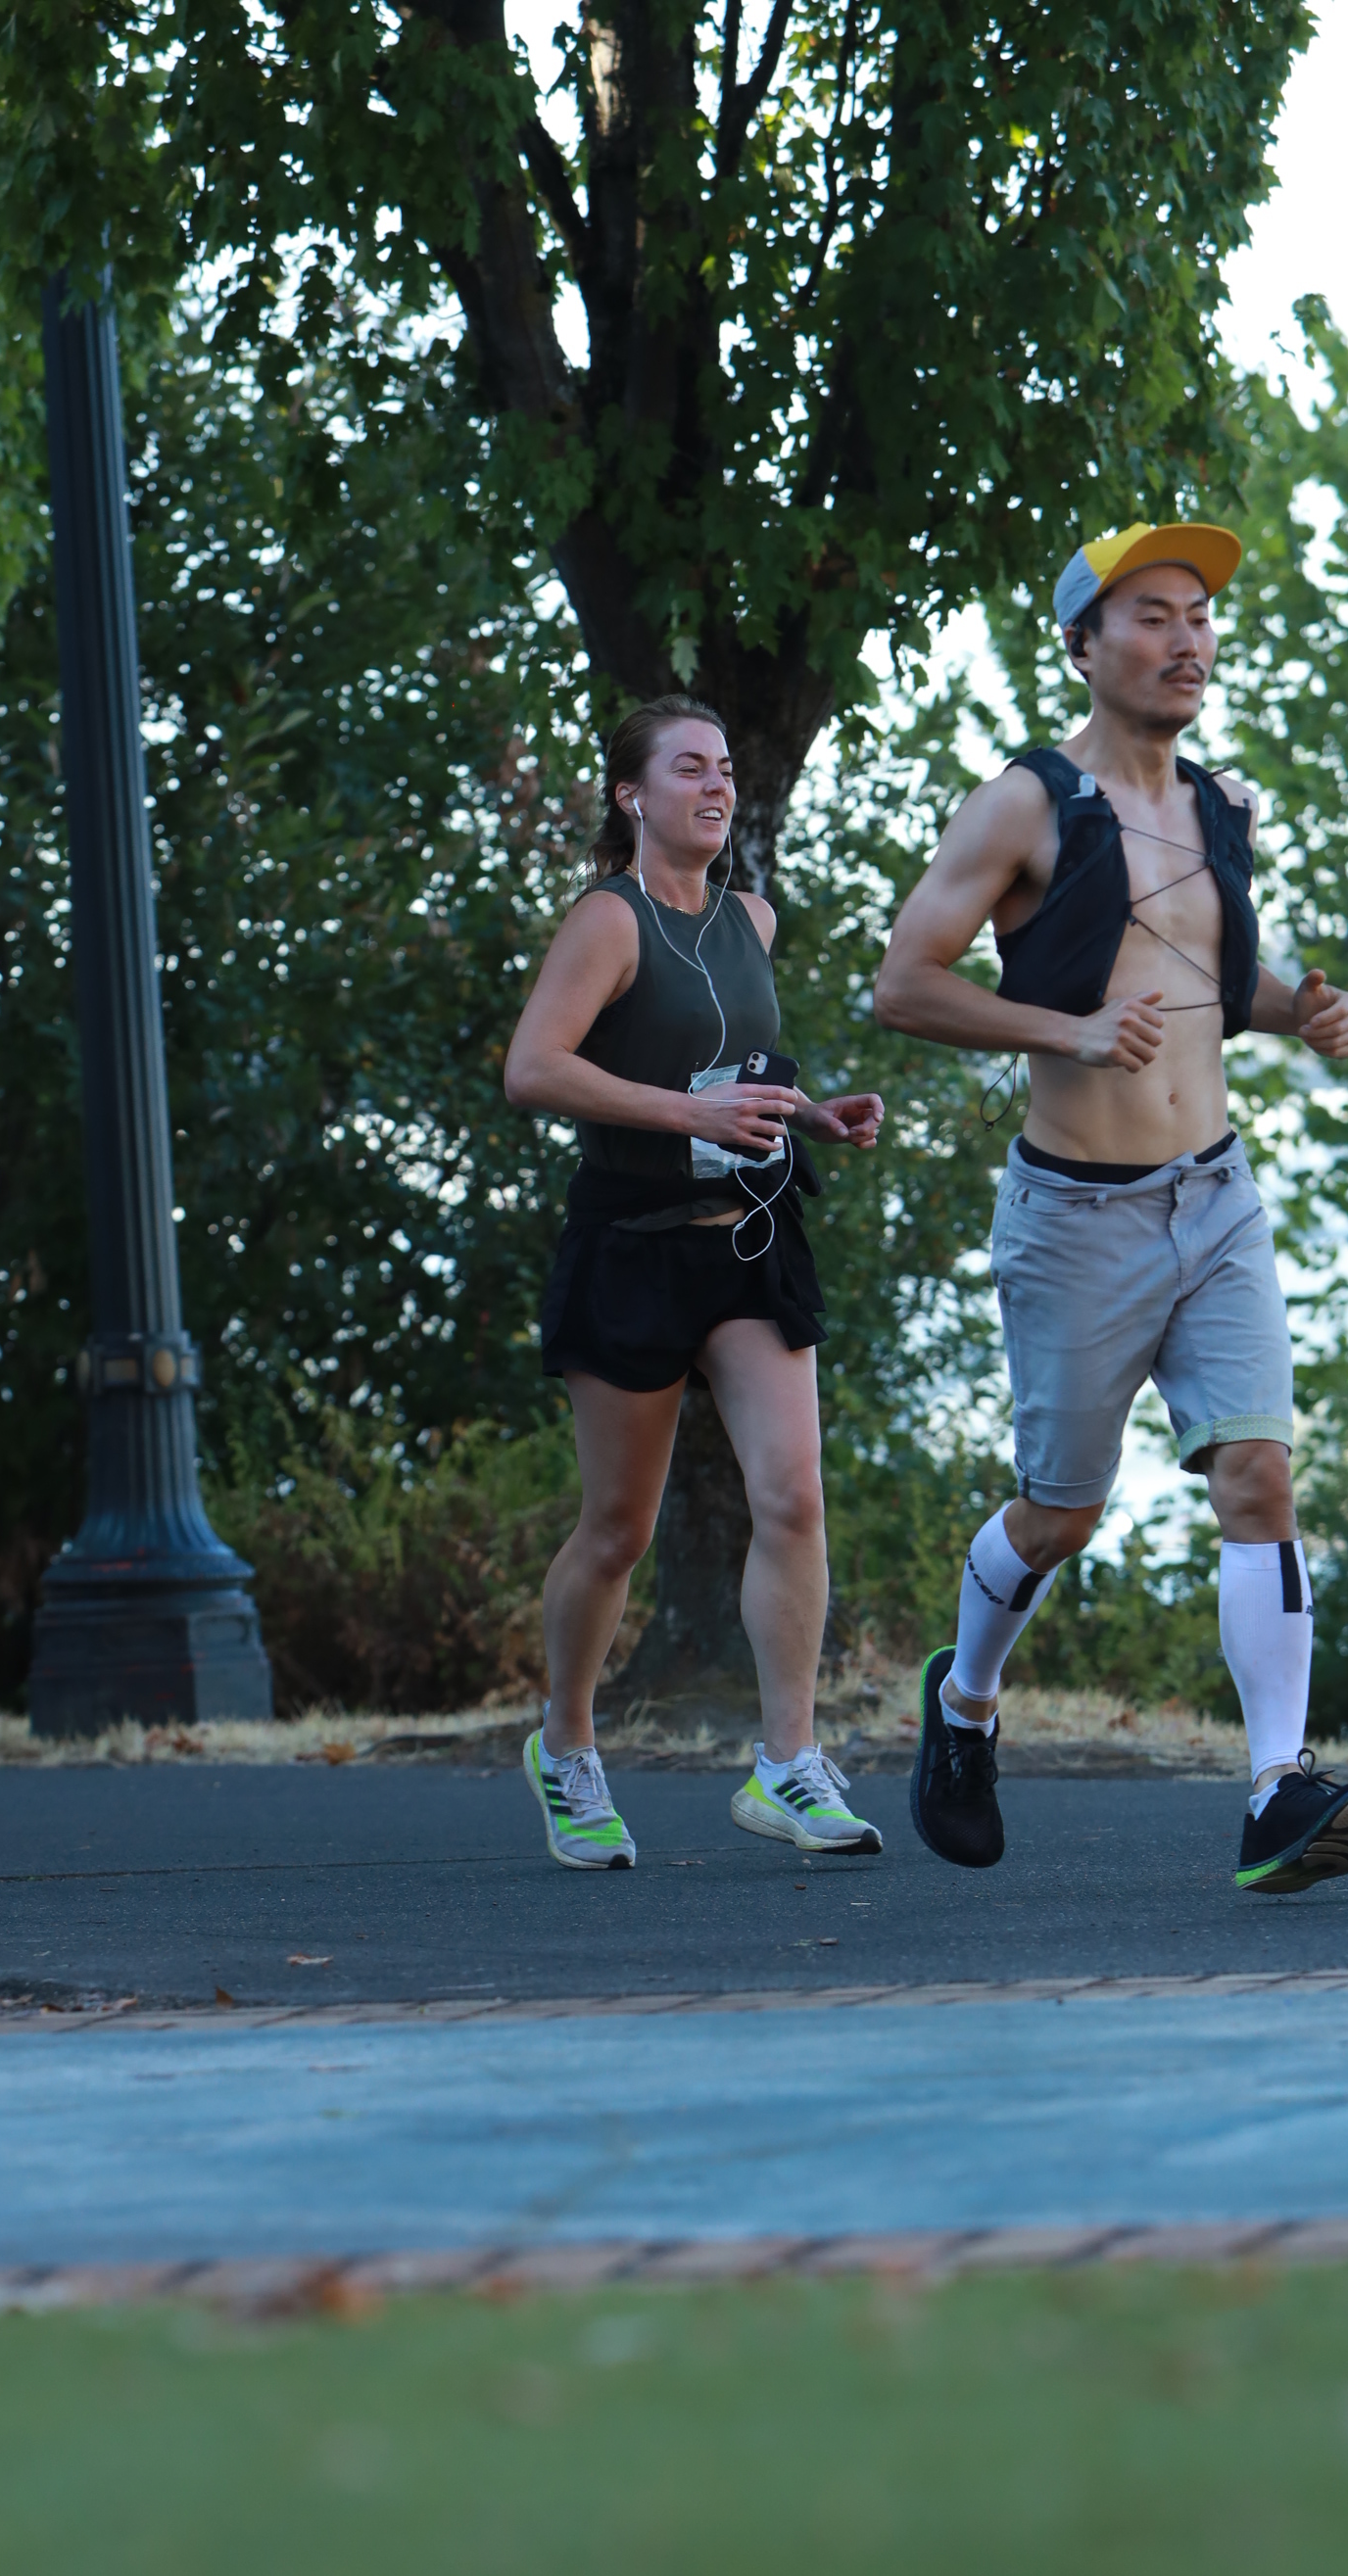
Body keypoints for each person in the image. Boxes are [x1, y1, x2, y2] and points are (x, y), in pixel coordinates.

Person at [873, 520, 1348, 1896]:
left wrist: (1300, 1012)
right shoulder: (1022, 804)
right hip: (1076, 1218)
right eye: (1152, 615)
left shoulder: (1222, 805)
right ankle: (965, 1702)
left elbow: (1211, 983)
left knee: (1259, 1475)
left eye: (1199, 616)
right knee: (1060, 1516)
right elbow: (903, 984)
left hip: (1216, 1196)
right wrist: (1071, 1027)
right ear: (1083, 643)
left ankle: (1278, 1791)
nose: (1186, 640)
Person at [504, 695, 887, 1869]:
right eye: (687, 768)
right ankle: (565, 1745)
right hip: (631, 1244)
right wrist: (688, 1115)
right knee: (618, 1530)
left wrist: (806, 1114)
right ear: (632, 795)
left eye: (723, 767)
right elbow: (533, 1069)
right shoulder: (605, 920)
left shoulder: (749, 917)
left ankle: (786, 1764)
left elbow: (732, 1070)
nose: (716, 784)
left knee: (793, 1497)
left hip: (749, 1238)